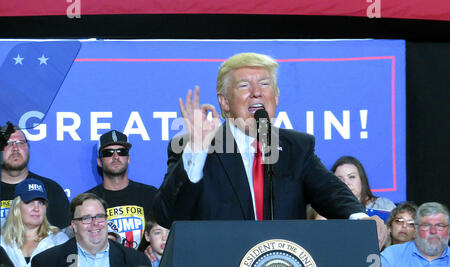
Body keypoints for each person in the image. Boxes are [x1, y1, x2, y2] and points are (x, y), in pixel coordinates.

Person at [151, 52, 386, 249]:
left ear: (276, 96)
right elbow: (168, 215)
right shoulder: (193, 148)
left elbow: (331, 191)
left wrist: (361, 218)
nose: (257, 92)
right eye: (244, 85)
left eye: (265, 84)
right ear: (224, 102)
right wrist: (198, 150)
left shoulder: (296, 148)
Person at [26, 192, 151, 267]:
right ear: (74, 225)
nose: (95, 223)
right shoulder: (48, 263)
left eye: (100, 216)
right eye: (86, 218)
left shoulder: (136, 261)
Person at [86, 130, 157, 249]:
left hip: (143, 266)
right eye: (108, 153)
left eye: (121, 151)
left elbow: (163, 233)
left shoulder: (150, 194)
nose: (116, 156)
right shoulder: (88, 201)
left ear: (128, 158)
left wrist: (153, 249)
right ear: (99, 161)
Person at [1, 125, 70, 229]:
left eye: (21, 143)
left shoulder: (51, 189)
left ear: (28, 148)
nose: (15, 148)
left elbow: (65, 237)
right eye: (8, 143)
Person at [0, 178, 68, 267]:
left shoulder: (59, 240)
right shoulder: (2, 239)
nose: (36, 208)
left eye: (41, 203)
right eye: (30, 202)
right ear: (17, 207)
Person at [381, 202, 450, 267]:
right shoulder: (391, 256)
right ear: (416, 230)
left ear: (449, 231)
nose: (433, 231)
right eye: (426, 225)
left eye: (440, 225)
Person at [331, 156, 396, 212]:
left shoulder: (384, 206)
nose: (346, 183)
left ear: (362, 179)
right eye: (340, 179)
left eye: (352, 177)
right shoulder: (328, 210)